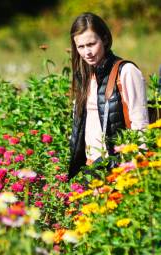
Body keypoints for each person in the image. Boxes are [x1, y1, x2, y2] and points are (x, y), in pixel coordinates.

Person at [68, 12, 149, 179]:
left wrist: (137, 171)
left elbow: (141, 126)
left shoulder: (126, 71)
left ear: (104, 39)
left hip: (119, 169)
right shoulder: (83, 75)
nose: (87, 52)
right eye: (80, 47)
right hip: (91, 168)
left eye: (91, 44)